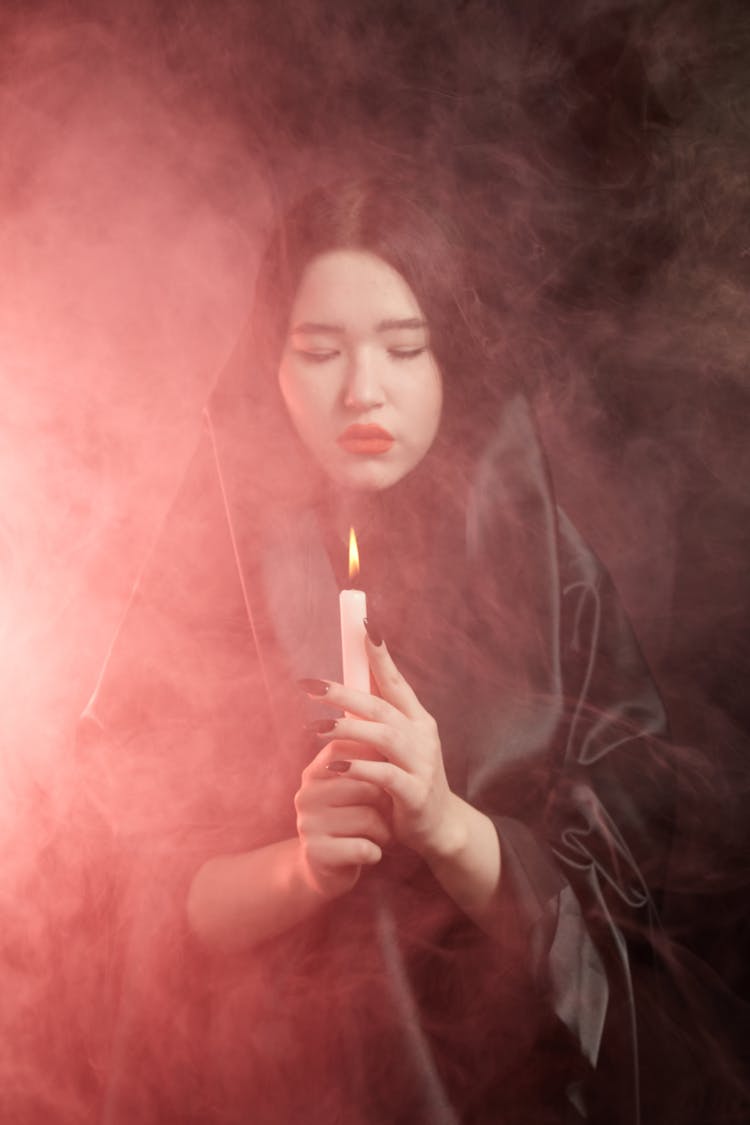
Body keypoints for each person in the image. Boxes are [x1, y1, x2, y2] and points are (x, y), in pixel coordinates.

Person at [77, 175, 673, 1124]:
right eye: (318, 350)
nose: (363, 389)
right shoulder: (205, 568)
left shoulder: (554, 576)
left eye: (404, 347)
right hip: (260, 1087)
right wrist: (305, 868)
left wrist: (445, 824)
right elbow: (120, 909)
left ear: (454, 361)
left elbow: (629, 923)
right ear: (268, 365)